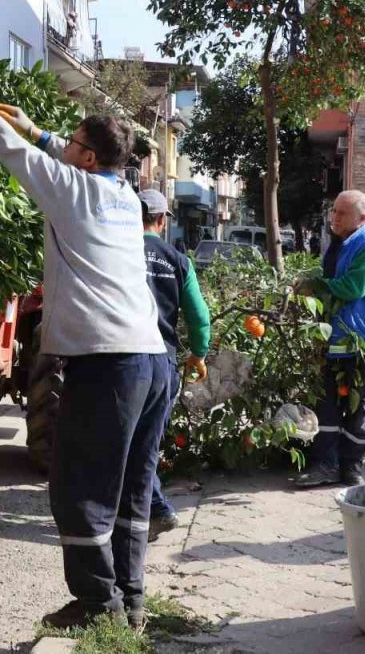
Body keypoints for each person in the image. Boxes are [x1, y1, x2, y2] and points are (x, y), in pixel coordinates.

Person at [0, 50, 165, 631]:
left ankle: (96, 609)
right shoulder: (124, 197)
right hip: (150, 364)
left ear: (89, 157)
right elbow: (56, 153)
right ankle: (130, 603)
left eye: (74, 142)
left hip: (107, 366)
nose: (65, 147)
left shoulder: (71, 193)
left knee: (79, 489)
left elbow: (10, 151)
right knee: (130, 489)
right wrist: (42, 130)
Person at [294, 190, 365, 488]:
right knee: (326, 401)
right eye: (335, 211)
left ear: (362, 219)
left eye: (342, 213)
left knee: (361, 405)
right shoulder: (342, 242)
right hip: (340, 338)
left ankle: (351, 466)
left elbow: (353, 287)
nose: (335, 217)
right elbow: (334, 277)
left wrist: (316, 285)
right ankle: (325, 465)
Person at [137, 190, 211, 538]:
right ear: (163, 220)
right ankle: (151, 510)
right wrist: (198, 352)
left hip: (120, 358)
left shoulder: (116, 252)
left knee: (124, 443)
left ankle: (149, 511)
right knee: (148, 441)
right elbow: (198, 316)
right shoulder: (179, 260)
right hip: (162, 362)